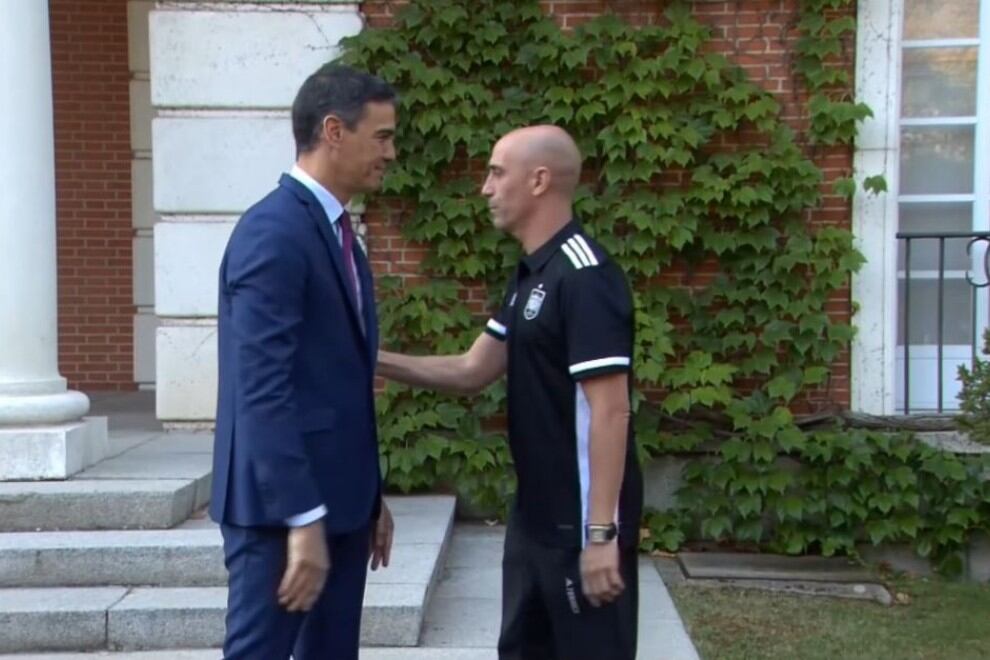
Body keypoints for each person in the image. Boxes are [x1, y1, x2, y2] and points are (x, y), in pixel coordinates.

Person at [377, 125, 643, 660]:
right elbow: (473, 369)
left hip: (578, 524)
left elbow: (611, 413)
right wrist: (367, 358)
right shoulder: (532, 274)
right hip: (534, 517)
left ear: (539, 180)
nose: (485, 187)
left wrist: (599, 537)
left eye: (497, 172)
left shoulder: (584, 278)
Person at [209, 64, 397, 660]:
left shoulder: (336, 230)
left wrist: (368, 496)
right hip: (280, 518)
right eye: (383, 136)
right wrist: (303, 517)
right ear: (334, 131)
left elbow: (336, 379)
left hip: (338, 506)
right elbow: (262, 391)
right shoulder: (274, 233)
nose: (392, 153)